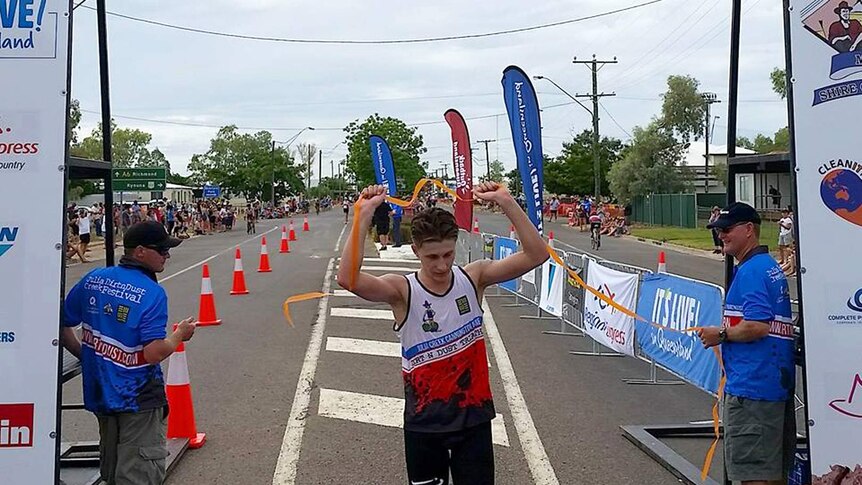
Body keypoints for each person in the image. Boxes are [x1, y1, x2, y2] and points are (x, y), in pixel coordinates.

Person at [336, 181, 548, 484]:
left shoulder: (473, 278)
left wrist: (505, 200)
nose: (441, 265)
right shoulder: (403, 290)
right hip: (424, 425)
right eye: (432, 257)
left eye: (447, 255)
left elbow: (537, 254)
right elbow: (349, 279)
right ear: (416, 251)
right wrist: (363, 214)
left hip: (473, 420)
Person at [60, 221, 196, 485]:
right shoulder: (152, 293)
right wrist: (180, 334)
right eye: (162, 249)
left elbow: (62, 323)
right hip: (139, 397)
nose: (167, 255)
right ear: (141, 252)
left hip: (101, 393)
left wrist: (87, 358)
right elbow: (154, 353)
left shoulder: (94, 279)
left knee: (111, 470)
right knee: (138, 474)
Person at [699, 202, 796, 485]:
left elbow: (758, 325)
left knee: (754, 475)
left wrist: (721, 334)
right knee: (772, 472)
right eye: (718, 230)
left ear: (749, 230)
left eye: (727, 229)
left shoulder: (752, 271)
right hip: (771, 385)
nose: (722, 236)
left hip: (753, 388)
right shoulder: (767, 266)